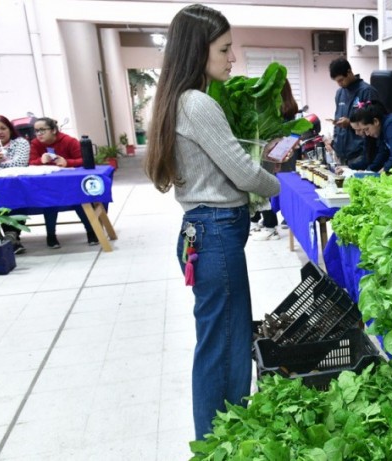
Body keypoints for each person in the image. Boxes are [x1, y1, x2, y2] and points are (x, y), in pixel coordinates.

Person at [143, 3, 282, 441]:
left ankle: (221, 438)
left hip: (205, 231)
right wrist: (278, 180)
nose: (232, 58)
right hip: (216, 232)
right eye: (224, 49)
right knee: (223, 347)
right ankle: (216, 444)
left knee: (222, 339)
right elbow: (242, 171)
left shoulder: (176, 101)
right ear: (197, 50)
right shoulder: (198, 103)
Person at [28, 117, 99, 249]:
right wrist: (40, 161)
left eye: (42, 130)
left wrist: (68, 162)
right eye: (36, 131)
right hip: (48, 186)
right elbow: (30, 164)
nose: (39, 134)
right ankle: (51, 235)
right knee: (49, 203)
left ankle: (91, 232)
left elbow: (85, 160)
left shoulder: (68, 141)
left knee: (79, 200)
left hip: (71, 184)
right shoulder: (35, 144)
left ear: (54, 130)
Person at [250, 79, 299, 240]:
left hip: (274, 153)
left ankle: (270, 226)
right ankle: (284, 221)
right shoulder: (290, 108)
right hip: (286, 152)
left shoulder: (271, 109)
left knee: (267, 188)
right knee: (283, 188)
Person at [0, 115, 32, 253]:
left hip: (15, 186)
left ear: (10, 130)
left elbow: (21, 163)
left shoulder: (21, 143)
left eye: (3, 128)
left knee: (14, 197)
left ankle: (11, 237)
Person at [329, 57, 379, 170]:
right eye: (336, 81)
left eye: (341, 80)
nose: (339, 84)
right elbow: (337, 116)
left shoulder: (367, 91)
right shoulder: (339, 93)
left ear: (349, 72)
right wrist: (334, 143)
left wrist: (350, 123)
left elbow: (373, 124)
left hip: (359, 153)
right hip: (341, 153)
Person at [348, 100, 392, 173]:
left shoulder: (391, 124)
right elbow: (382, 154)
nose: (366, 134)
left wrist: (384, 171)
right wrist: (368, 171)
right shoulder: (382, 130)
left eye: (366, 129)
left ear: (376, 121)